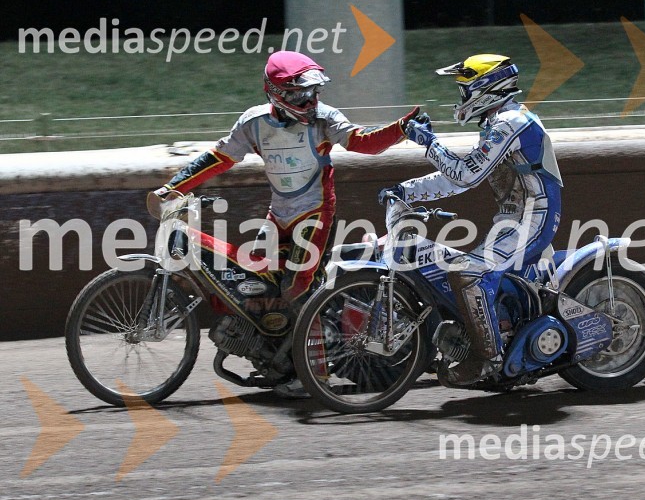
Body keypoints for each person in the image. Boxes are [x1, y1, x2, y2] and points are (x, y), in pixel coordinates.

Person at [151, 50, 418, 311]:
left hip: (315, 214)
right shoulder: (253, 122)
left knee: (297, 289)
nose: (310, 101)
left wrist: (402, 129)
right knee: (254, 282)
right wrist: (172, 188)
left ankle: (315, 353)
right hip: (277, 215)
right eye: (300, 95)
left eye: (313, 92)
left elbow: (363, 142)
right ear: (276, 93)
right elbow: (219, 157)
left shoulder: (326, 118)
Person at [380, 54, 563, 386]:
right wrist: (405, 191)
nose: (461, 98)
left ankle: (486, 361)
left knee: (467, 273)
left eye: (464, 90)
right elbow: (456, 178)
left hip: (534, 218)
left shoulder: (511, 122)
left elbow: (466, 175)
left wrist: (431, 144)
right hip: (513, 219)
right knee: (470, 271)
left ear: (485, 89)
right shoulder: (498, 124)